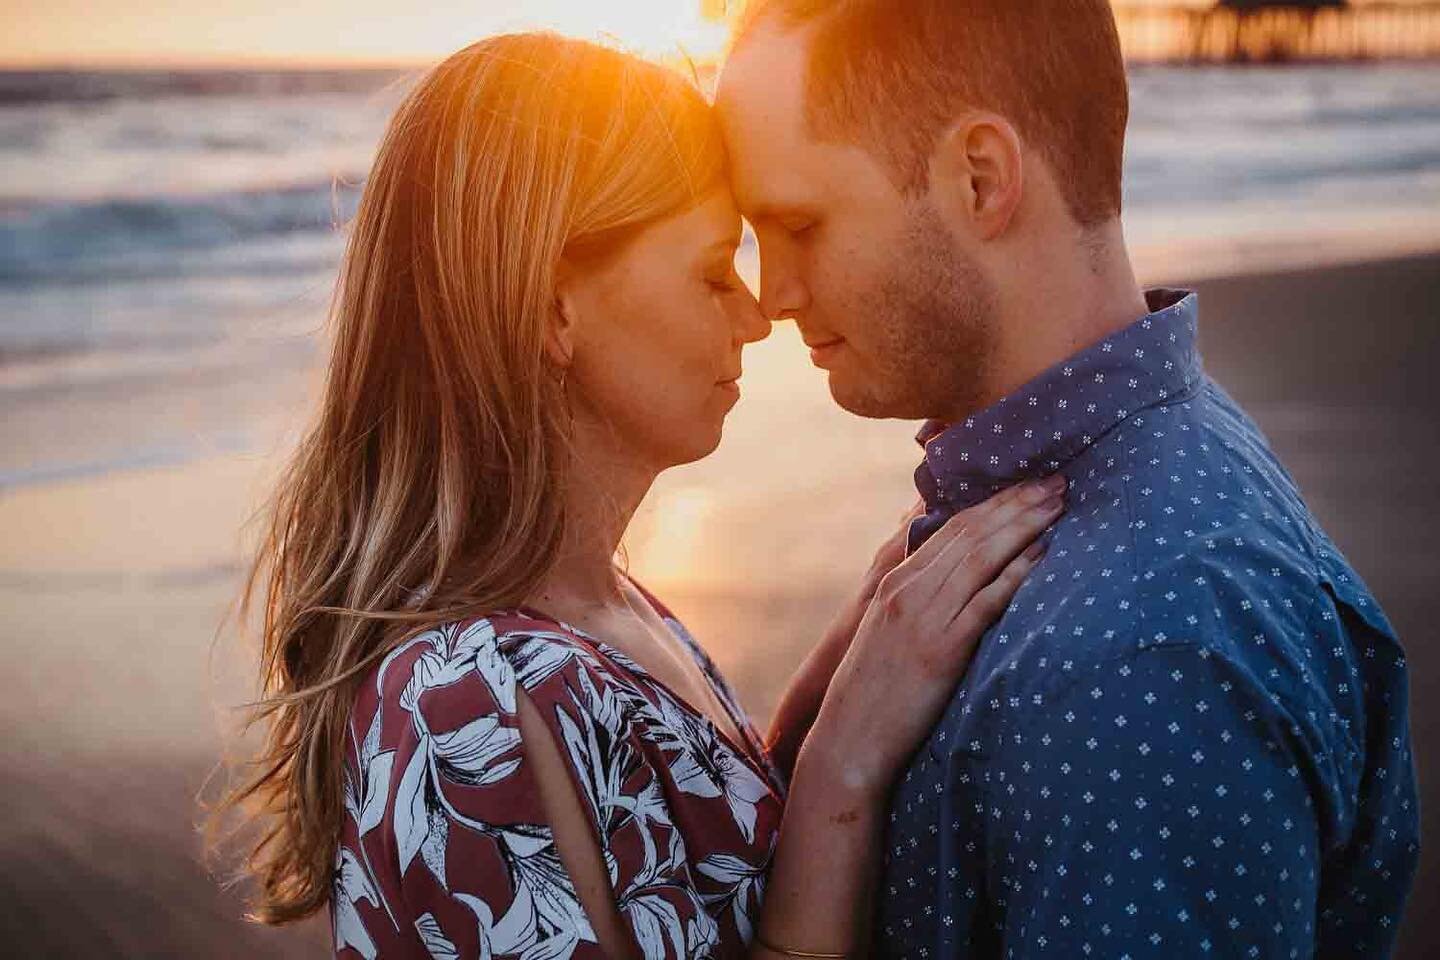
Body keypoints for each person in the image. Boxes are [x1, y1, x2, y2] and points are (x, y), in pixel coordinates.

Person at [216, 33, 1068, 960]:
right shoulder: (462, 706)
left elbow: (693, 880)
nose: (756, 317)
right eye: (711, 272)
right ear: (551, 307)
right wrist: (840, 771)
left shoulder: (604, 610)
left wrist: (834, 683)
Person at [715, 1, 1419, 957]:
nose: (774, 293)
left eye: (799, 223)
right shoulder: (1128, 471)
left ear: (981, 177)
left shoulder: (1137, 660)